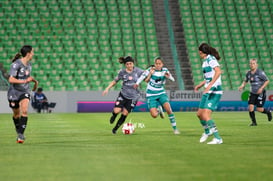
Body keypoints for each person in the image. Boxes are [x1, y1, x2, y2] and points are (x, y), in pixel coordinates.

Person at [134, 57, 180, 135]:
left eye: (160, 64)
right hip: (151, 94)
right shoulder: (150, 70)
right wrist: (137, 83)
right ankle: (159, 110)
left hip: (161, 93)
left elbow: (173, 79)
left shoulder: (165, 70)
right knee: (154, 115)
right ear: (154, 64)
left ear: (162, 64)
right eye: (156, 63)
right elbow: (144, 78)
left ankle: (175, 129)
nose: (158, 65)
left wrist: (168, 76)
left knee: (169, 110)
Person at [102, 56, 144, 134]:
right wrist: (107, 88)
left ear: (133, 63)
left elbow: (146, 77)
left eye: (130, 64)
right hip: (123, 95)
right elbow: (115, 81)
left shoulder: (139, 71)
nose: (129, 65)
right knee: (116, 110)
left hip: (133, 97)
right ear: (125, 65)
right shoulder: (122, 72)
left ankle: (115, 129)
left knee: (125, 113)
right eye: (127, 64)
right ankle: (114, 115)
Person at [7, 45, 38, 143]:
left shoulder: (29, 65)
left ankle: (20, 136)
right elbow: (11, 79)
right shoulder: (16, 64)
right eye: (32, 52)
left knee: (24, 110)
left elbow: (27, 77)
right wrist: (24, 81)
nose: (33, 54)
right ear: (28, 53)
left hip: (24, 91)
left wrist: (34, 81)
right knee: (16, 114)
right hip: (14, 92)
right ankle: (18, 130)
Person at [194, 43, 223, 144]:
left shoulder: (211, 59)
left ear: (203, 52)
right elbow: (208, 77)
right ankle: (207, 131)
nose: (199, 54)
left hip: (215, 90)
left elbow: (218, 71)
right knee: (199, 114)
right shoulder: (205, 61)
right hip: (208, 89)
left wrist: (210, 85)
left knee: (206, 115)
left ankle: (218, 138)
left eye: (200, 52)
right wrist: (200, 85)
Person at [238, 58, 272, 126]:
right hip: (252, 93)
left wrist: (261, 88)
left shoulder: (260, 72)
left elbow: (267, 81)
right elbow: (245, 81)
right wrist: (242, 86)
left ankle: (268, 112)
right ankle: (254, 123)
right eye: (251, 63)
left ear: (256, 65)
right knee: (250, 107)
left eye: (253, 63)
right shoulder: (248, 73)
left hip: (260, 93)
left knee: (259, 109)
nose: (252, 65)